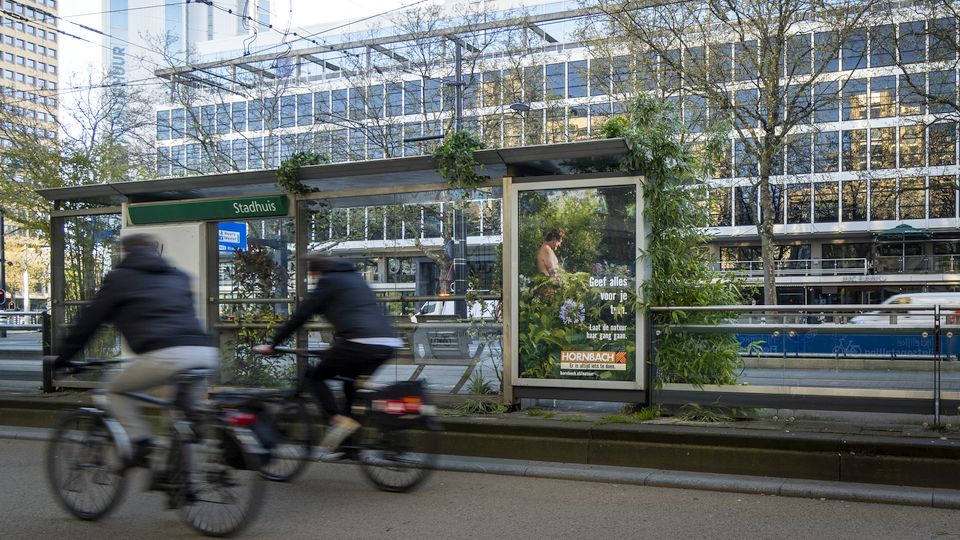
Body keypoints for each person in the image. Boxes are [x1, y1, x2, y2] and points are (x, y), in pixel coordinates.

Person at [51, 233, 218, 467]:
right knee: (182, 412)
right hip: (204, 353)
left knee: (114, 391)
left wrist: (63, 358)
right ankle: (185, 476)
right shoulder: (178, 276)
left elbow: (88, 323)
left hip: (164, 356)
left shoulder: (120, 278)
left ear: (124, 252)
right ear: (155, 250)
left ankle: (141, 442)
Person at [253, 254, 401, 456]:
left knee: (313, 376)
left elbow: (301, 315)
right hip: (387, 344)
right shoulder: (356, 278)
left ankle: (336, 420)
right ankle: (351, 447)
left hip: (358, 343)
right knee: (351, 384)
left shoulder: (328, 281)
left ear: (315, 272)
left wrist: (273, 344)